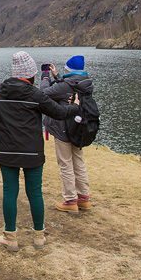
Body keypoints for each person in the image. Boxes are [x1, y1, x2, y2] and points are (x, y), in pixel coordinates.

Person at [0, 51, 81, 251]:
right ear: (31, 74)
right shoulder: (36, 95)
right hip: (32, 152)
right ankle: (38, 237)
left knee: (10, 192)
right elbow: (60, 112)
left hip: (7, 152)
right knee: (35, 193)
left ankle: (10, 237)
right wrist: (75, 107)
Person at [40, 55, 94, 213]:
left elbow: (43, 93)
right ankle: (83, 198)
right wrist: (57, 77)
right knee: (78, 162)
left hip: (64, 129)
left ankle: (70, 200)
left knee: (65, 164)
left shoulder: (66, 85)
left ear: (69, 69)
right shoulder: (85, 83)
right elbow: (64, 90)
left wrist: (45, 75)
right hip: (79, 129)